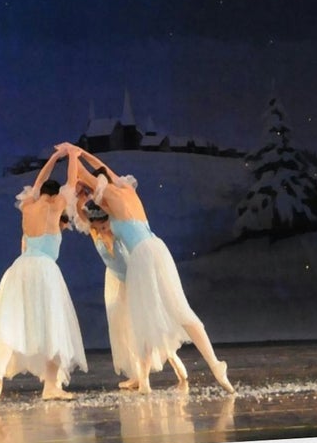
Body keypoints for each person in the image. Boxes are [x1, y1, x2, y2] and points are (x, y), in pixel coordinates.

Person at [62, 143, 234, 394]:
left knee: (143, 315)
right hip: (158, 247)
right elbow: (104, 170)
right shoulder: (127, 191)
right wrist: (83, 152)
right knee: (181, 310)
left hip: (142, 256)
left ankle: (144, 382)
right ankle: (215, 365)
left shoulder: (108, 196)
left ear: (99, 185)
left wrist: (72, 154)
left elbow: (81, 175)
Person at [0, 150, 87, 408]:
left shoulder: (28, 205)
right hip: (44, 269)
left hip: (20, 267)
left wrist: (53, 159)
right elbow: (72, 180)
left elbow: (38, 182)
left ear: (40, 191)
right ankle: (51, 387)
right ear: (55, 195)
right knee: (53, 326)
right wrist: (73, 154)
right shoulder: (57, 205)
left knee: (12, 322)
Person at [79, 202, 188, 391]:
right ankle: (138, 375)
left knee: (148, 323)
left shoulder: (121, 232)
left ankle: (171, 356)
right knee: (125, 330)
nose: (101, 229)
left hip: (137, 280)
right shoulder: (95, 233)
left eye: (103, 226)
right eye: (97, 227)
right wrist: (80, 193)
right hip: (117, 284)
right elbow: (81, 212)